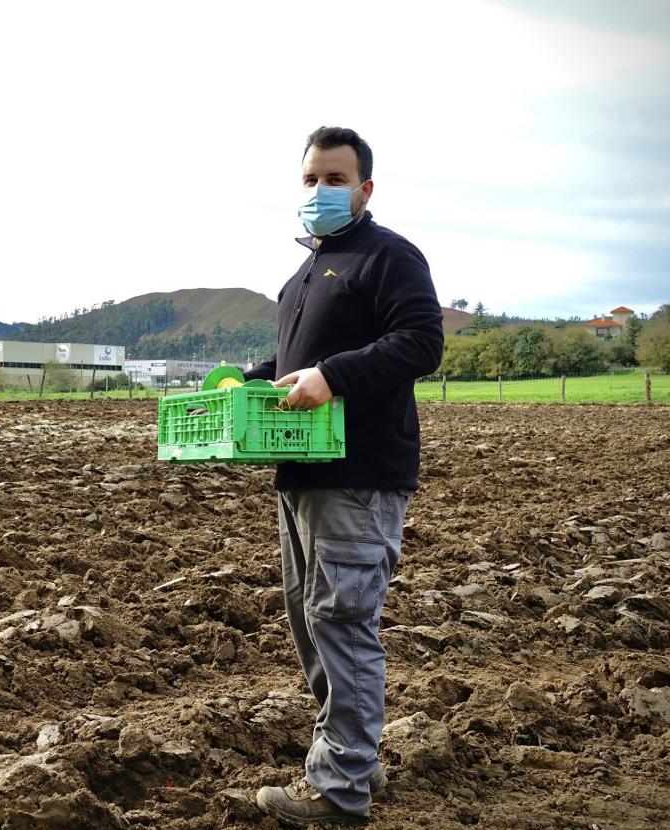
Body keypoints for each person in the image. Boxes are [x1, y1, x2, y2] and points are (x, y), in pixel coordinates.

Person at [247, 126, 444, 827]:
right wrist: (253, 381)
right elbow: (301, 362)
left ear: (365, 188)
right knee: (312, 622)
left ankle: (340, 795)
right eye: (311, 179)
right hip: (301, 473)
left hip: (360, 472)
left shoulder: (388, 256)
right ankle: (357, 757)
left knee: (343, 619)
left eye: (336, 179)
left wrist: (333, 376)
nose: (321, 191)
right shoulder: (304, 274)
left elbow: (421, 343)